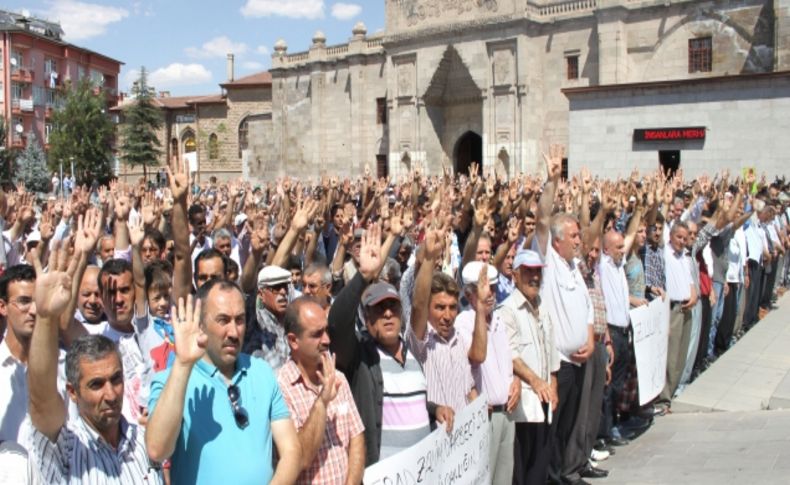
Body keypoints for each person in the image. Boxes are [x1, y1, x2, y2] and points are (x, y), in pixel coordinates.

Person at [27, 243, 162, 483]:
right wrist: (46, 319)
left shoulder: (143, 439)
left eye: (116, 379)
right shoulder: (66, 450)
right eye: (96, 385)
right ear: (72, 391)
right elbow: (42, 400)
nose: (111, 394)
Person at [146, 282, 301, 484]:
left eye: (240, 320)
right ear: (200, 324)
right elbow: (157, 450)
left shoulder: (261, 371)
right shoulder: (170, 382)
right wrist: (183, 364)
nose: (234, 332)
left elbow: (291, 451)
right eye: (223, 320)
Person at [329, 224, 452, 465]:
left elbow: (406, 402)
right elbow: (336, 323)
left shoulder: (412, 353)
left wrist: (434, 409)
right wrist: (363, 276)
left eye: (392, 306)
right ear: (367, 318)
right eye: (378, 308)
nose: (387, 314)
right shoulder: (361, 358)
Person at [532, 146, 595, 485]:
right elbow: (543, 220)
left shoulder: (574, 266)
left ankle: (565, 474)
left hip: (579, 359)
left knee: (570, 424)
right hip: (559, 364)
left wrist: (588, 338)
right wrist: (552, 182)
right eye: (573, 237)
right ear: (556, 242)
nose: (579, 241)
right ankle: (552, 479)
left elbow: (585, 307)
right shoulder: (549, 262)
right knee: (553, 429)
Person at [277, 296, 365, 485]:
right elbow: (301, 458)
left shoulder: (338, 377)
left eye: (326, 330)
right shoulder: (281, 388)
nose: (327, 340)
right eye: (317, 334)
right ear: (293, 341)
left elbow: (356, 436)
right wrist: (323, 401)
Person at [457, 260, 518, 485]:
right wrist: (480, 313)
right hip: (486, 416)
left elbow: (508, 361)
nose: (491, 294)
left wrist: (516, 381)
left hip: (507, 412)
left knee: (504, 479)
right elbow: (476, 356)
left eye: (492, 288)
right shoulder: (463, 322)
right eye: (484, 290)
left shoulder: (499, 319)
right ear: (469, 294)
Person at [408, 228, 481, 413]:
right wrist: (430, 258)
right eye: (440, 307)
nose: (448, 316)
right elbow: (418, 304)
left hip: (464, 436)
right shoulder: (420, 341)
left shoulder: (459, 339)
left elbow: (469, 389)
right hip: (436, 434)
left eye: (452, 307)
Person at [502, 249, 559, 485]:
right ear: (515, 275)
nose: (534, 277)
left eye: (537, 272)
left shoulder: (542, 307)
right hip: (523, 409)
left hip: (544, 405)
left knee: (539, 470)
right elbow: (511, 355)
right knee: (521, 473)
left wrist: (552, 386)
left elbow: (552, 353)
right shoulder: (508, 310)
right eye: (528, 272)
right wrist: (536, 382)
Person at [657, 221, 697, 409]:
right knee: (670, 357)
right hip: (672, 308)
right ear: (671, 236)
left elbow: (690, 281)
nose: (682, 241)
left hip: (686, 308)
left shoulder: (685, 257)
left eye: (684, 237)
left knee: (681, 356)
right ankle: (664, 398)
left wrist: (694, 294)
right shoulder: (665, 254)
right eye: (678, 237)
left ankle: (671, 393)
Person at [243, 264, 293, 369]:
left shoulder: (292, 319)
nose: (283, 292)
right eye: (276, 288)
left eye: (285, 287)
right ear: (261, 294)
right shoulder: (256, 322)